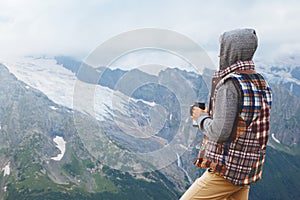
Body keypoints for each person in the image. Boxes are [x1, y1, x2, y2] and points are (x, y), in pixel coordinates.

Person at [180, 28, 272, 200]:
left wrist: (200, 117)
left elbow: (220, 132)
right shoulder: (260, 81)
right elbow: (244, 121)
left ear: (231, 51)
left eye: (221, 49)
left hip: (226, 170)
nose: (218, 55)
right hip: (247, 167)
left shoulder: (229, 84)